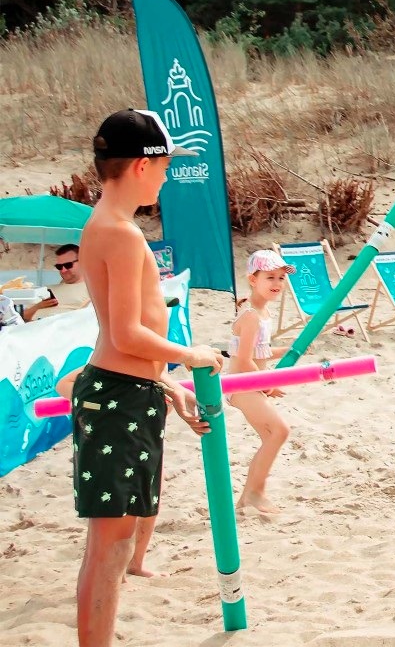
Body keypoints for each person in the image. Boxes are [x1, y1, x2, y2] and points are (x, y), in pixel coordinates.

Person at [72, 108, 223, 647]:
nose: (166, 177)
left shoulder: (107, 225)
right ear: (141, 165)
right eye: (164, 166)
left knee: (114, 543)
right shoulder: (120, 233)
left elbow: (124, 341)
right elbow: (126, 335)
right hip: (117, 398)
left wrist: (165, 383)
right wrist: (192, 354)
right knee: (110, 547)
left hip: (127, 392)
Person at [56, 367, 209, 578]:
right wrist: (103, 405)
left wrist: (175, 392)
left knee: (149, 497)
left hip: (145, 435)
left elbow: (158, 374)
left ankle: (135, 563)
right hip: (115, 436)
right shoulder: (109, 366)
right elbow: (64, 385)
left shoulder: (153, 368)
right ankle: (118, 569)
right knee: (113, 507)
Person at [228, 249, 294, 514]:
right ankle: (255, 493)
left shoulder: (261, 312)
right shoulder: (251, 316)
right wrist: (268, 385)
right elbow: (244, 360)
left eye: (281, 278)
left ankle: (248, 497)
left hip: (251, 384)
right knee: (280, 431)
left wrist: (289, 350)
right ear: (253, 280)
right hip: (242, 385)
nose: (277, 283)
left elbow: (260, 352)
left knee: (270, 436)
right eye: (270, 277)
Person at [22, 243, 91, 321]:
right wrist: (39, 306)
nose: (63, 270)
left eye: (68, 265)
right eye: (59, 267)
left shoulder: (91, 291)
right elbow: (22, 317)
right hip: (31, 326)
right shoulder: (47, 290)